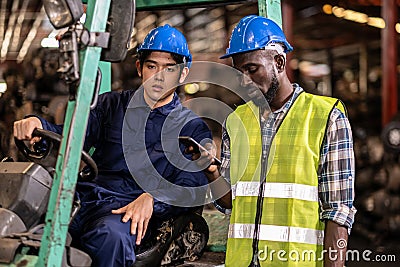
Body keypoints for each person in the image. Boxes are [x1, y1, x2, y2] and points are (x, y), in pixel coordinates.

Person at [13, 24, 212, 267]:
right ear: (140, 67)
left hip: (130, 209)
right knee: (31, 226)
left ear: (182, 74)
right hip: (88, 199)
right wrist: (38, 126)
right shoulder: (111, 106)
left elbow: (192, 185)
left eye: (169, 68)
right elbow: (72, 135)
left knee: (109, 237)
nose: (159, 76)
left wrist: (153, 198)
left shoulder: (190, 127)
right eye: (152, 66)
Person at [202, 15, 356, 267]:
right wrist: (211, 172)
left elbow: (338, 213)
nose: (244, 81)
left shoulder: (326, 117)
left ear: (279, 62)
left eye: (252, 69)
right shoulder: (235, 121)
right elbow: (231, 203)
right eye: (238, 72)